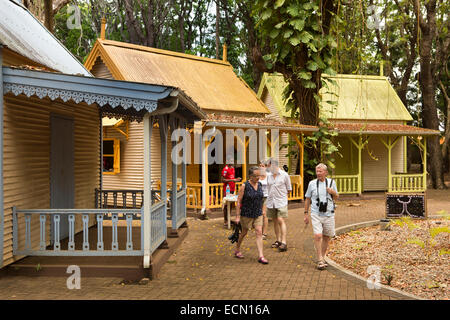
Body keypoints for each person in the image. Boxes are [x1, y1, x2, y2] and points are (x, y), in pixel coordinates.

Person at [304, 163, 339, 270]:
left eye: (320, 171)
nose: (318, 173)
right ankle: (319, 259)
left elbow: (337, 197)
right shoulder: (312, 184)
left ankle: (322, 257)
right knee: (318, 236)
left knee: (326, 236)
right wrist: (306, 213)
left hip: (329, 213)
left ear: (325, 172)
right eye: (317, 171)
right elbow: (308, 199)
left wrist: (332, 192)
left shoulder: (332, 182)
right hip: (316, 213)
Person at [234, 166, 268, 264]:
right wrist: (237, 216)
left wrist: (262, 209)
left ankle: (261, 256)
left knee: (258, 232)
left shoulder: (260, 185)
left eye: (259, 175)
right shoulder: (245, 186)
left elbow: (261, 199)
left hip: (257, 212)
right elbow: (239, 201)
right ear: (250, 176)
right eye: (255, 176)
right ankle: (237, 249)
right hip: (247, 213)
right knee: (244, 232)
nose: (258, 177)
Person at [266, 158, 292, 252]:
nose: (268, 168)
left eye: (269, 166)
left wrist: (282, 196)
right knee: (275, 221)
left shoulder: (284, 175)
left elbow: (289, 189)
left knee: (281, 219)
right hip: (271, 202)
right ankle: (278, 240)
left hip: (281, 201)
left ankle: (284, 242)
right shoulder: (268, 176)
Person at [221, 156, 241, 227]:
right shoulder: (225, 169)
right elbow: (222, 180)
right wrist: (233, 180)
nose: (232, 162)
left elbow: (232, 178)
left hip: (232, 188)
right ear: (228, 161)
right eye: (231, 161)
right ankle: (225, 221)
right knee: (226, 204)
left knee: (231, 204)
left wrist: (236, 179)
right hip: (227, 189)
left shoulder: (232, 168)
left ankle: (228, 219)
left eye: (233, 161)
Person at [258, 160, 269, 240]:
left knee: (264, 214)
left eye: (263, 166)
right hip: (258, 197)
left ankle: (264, 233)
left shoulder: (269, 176)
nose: (261, 167)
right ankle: (259, 231)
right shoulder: (257, 175)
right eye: (260, 166)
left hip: (266, 197)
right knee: (258, 214)